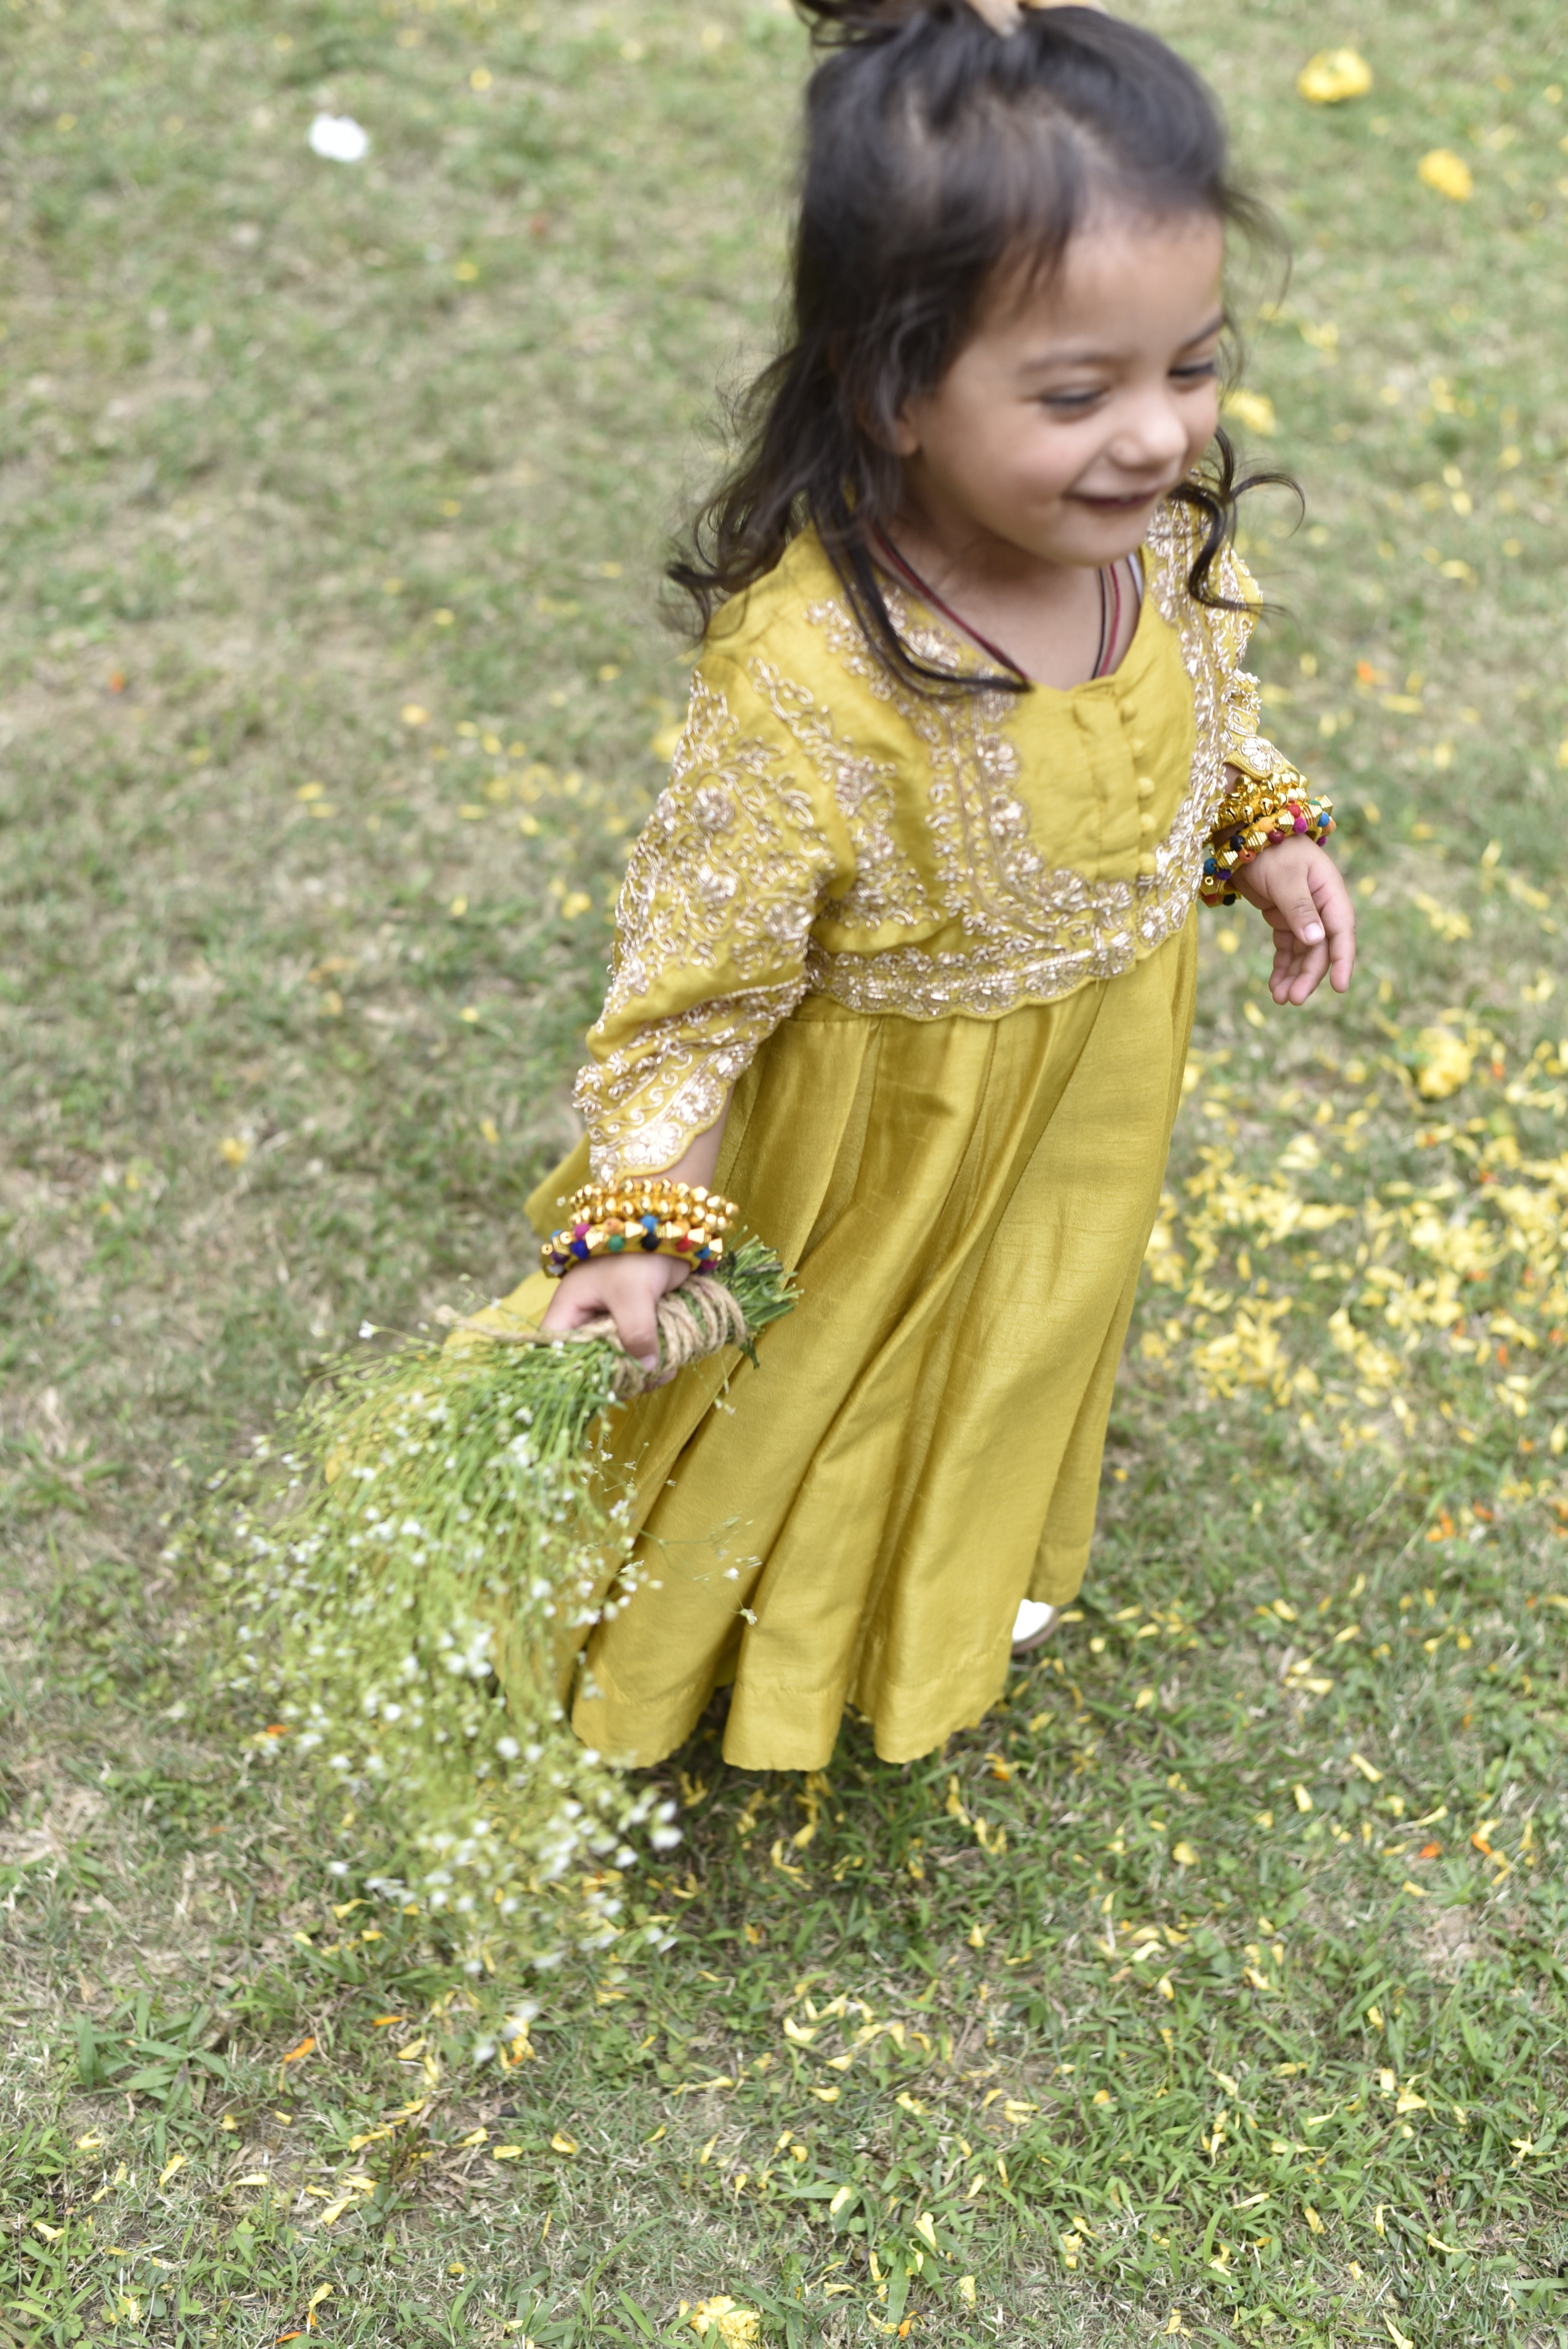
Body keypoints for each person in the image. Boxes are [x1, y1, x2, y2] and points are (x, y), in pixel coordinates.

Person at [511, 0, 1354, 1773]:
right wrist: (643, 1213)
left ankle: (935, 1599)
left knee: (1018, 1341)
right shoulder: (815, 678)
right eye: (1075, 394)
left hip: (1083, 1093)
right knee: (813, 1400)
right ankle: (715, 1644)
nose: (1151, 437)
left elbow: (1189, 709)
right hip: (869, 1157)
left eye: (1188, 368)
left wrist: (1252, 822)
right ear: (889, 384)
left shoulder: (1157, 541)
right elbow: (697, 982)